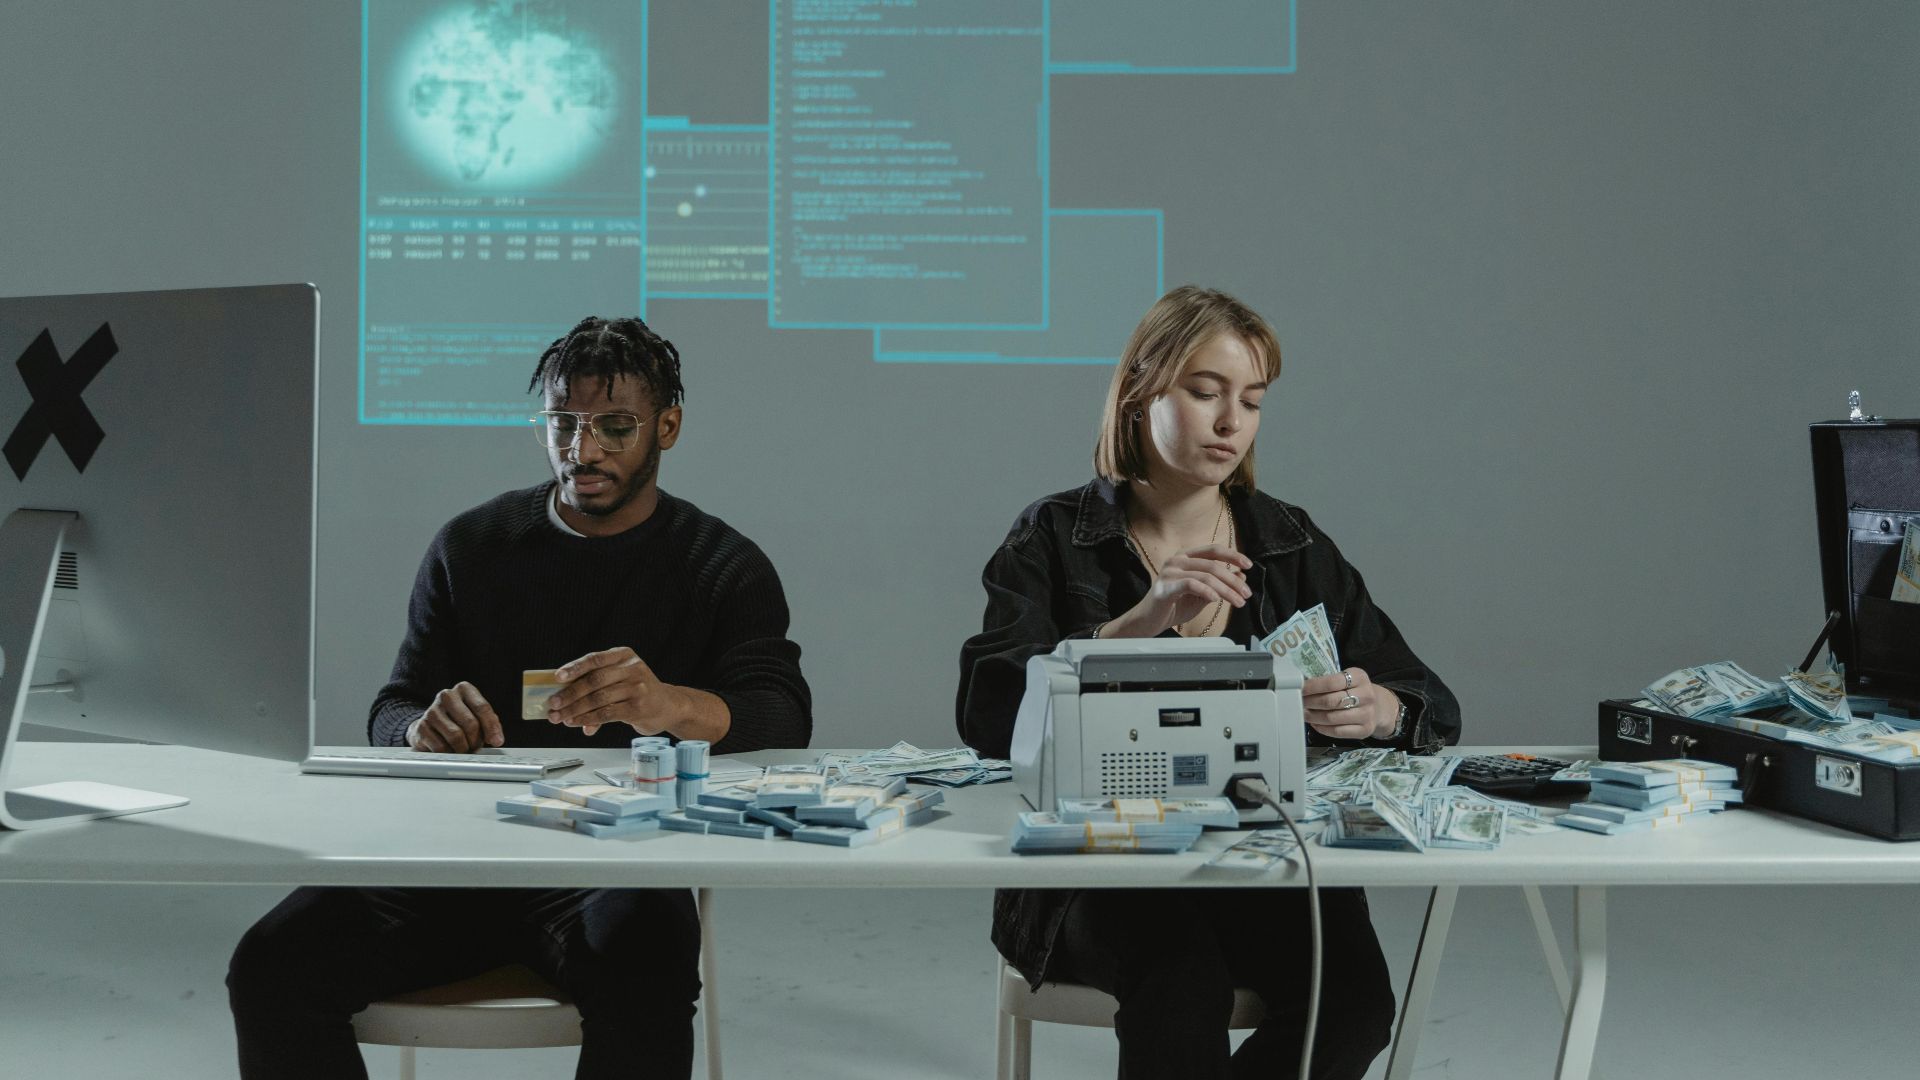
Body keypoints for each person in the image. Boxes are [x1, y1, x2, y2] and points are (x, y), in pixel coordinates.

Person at [227, 316, 812, 1080]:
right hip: (454, 857)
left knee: (646, 976)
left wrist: (667, 705)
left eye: (615, 425)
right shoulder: (472, 546)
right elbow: (394, 704)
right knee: (272, 967)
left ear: (667, 426)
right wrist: (419, 730)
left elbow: (782, 714)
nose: (583, 449)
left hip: (617, 866)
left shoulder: (720, 565)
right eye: (563, 423)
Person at [956, 285, 1460, 1079]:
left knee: (1355, 1004)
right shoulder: (1054, 536)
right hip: (1101, 874)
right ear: (1142, 389)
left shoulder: (1289, 543)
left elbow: (1429, 702)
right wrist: (1136, 626)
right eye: (1206, 393)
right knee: (1178, 987)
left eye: (1252, 401)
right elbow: (987, 713)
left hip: (1264, 865)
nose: (1232, 423)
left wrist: (1377, 707)